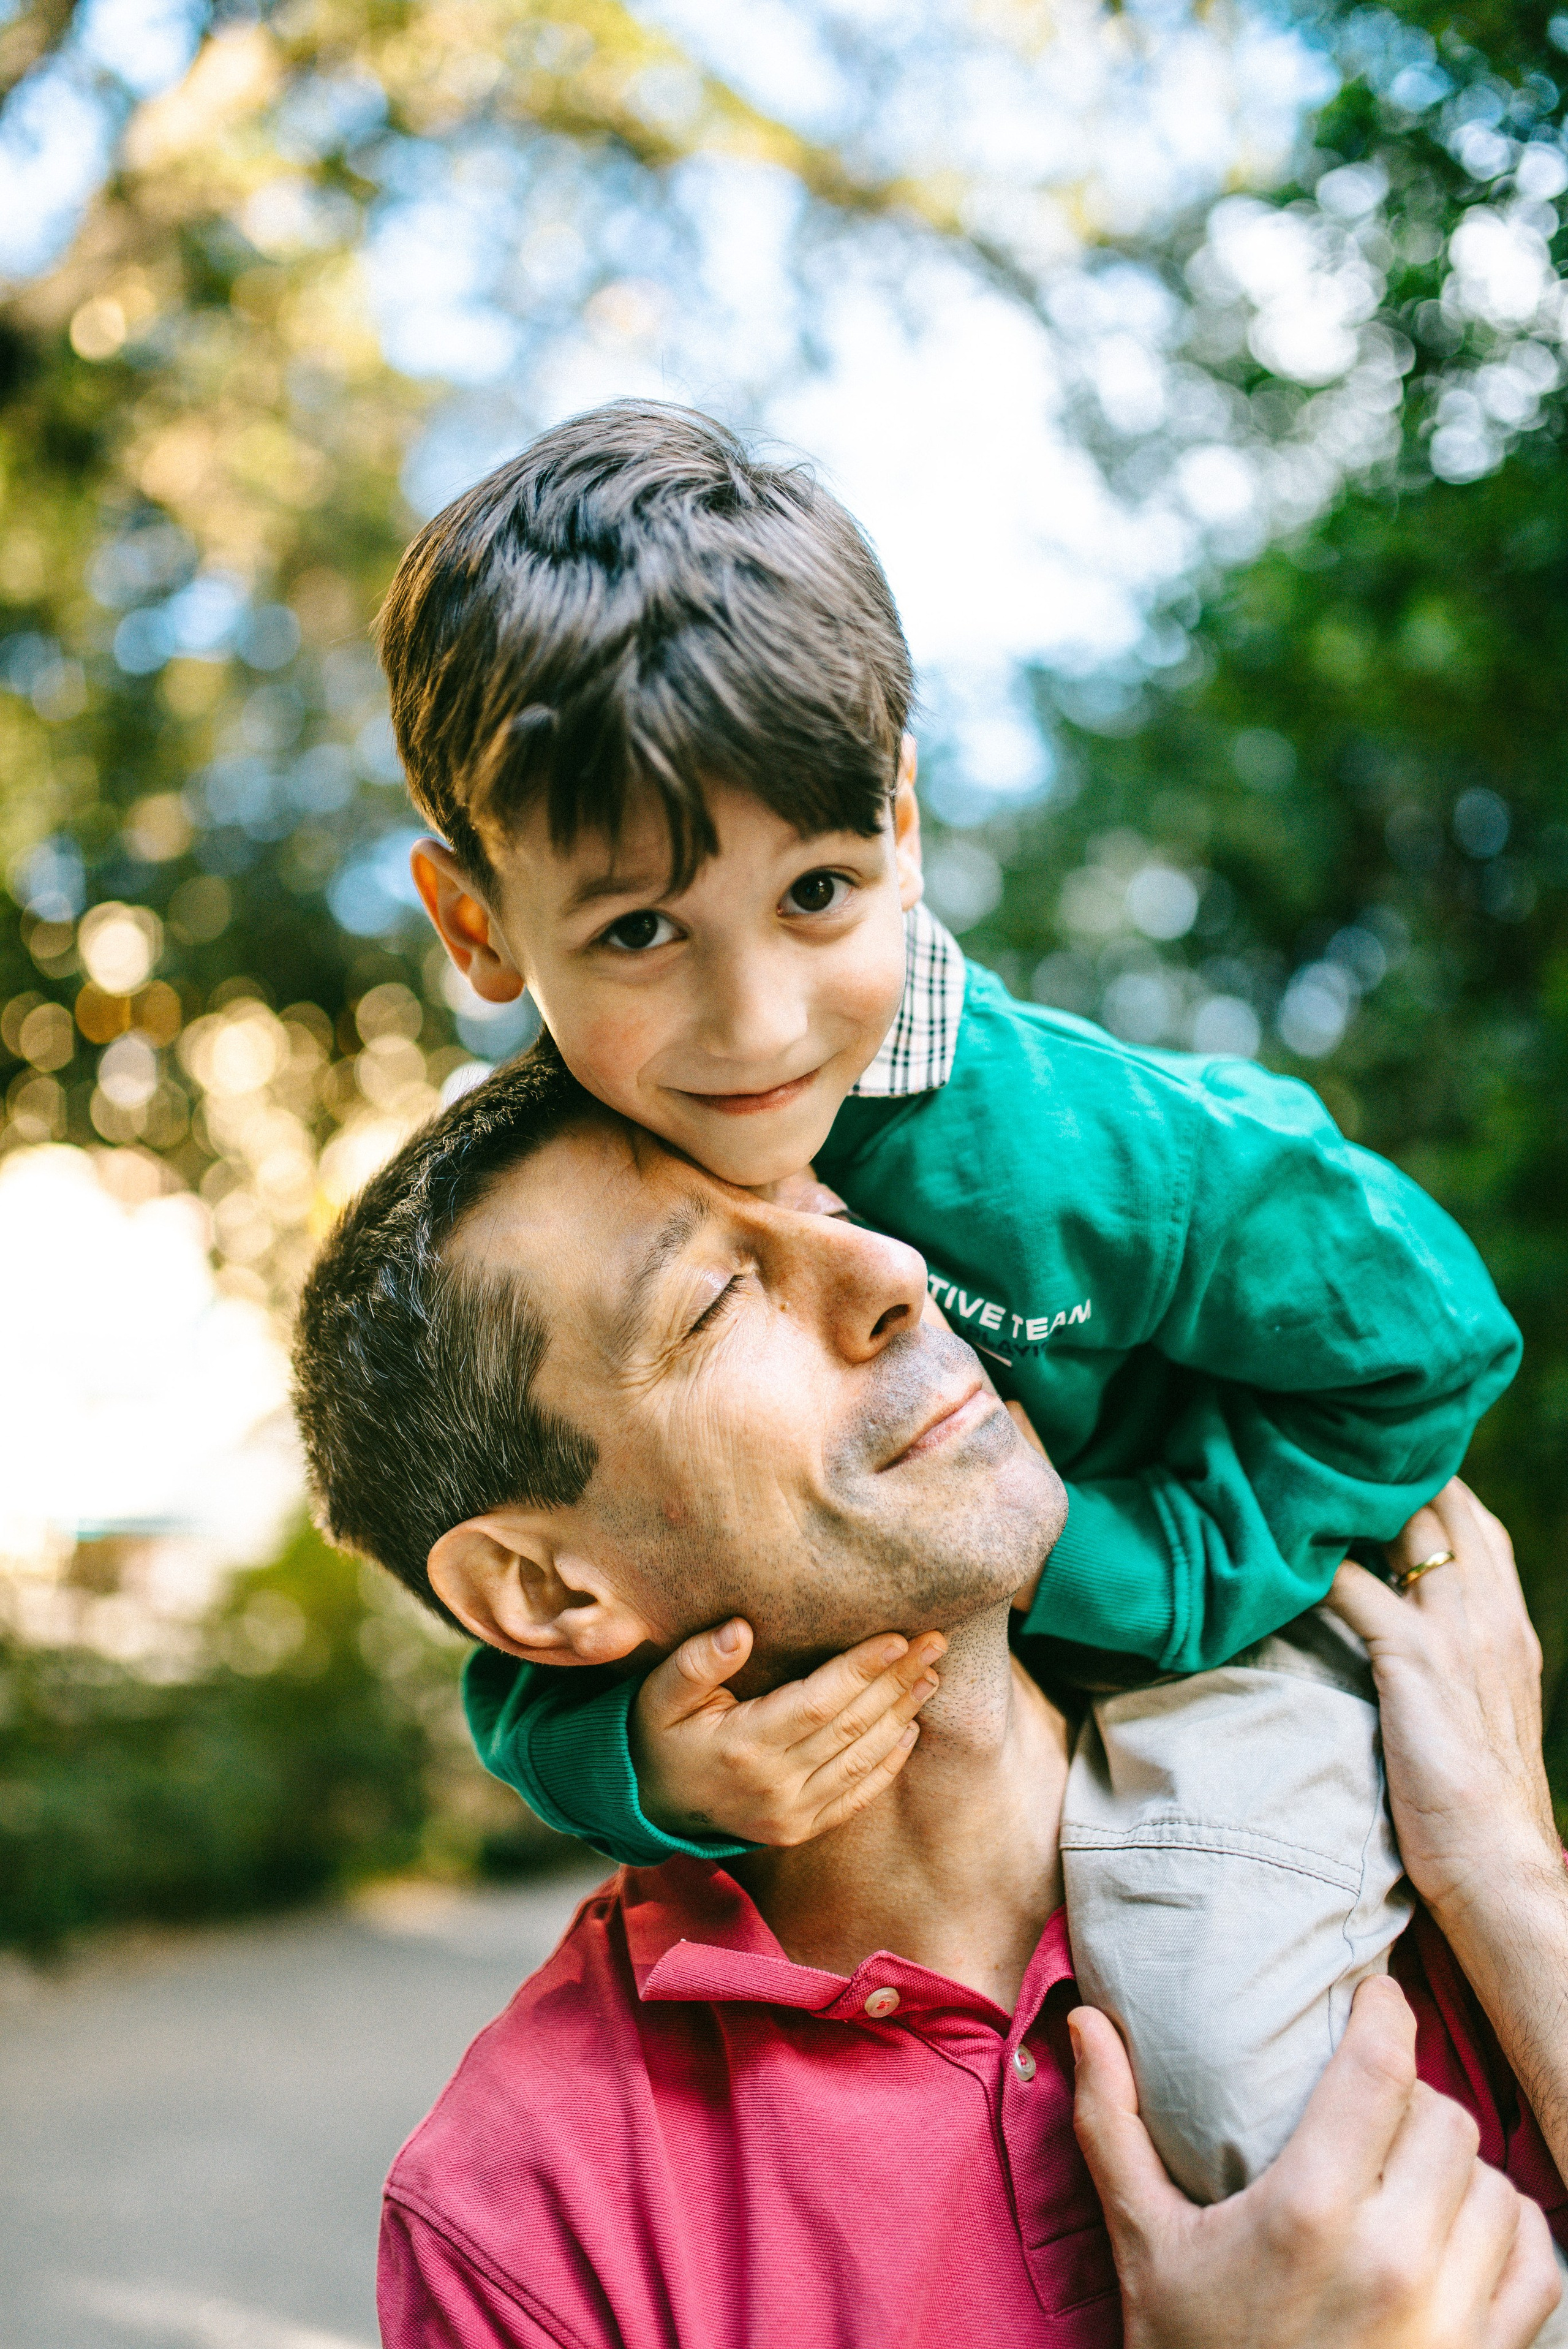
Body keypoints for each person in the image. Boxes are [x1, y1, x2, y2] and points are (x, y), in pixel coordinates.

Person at [372, 398, 1521, 2197]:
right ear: (476, 923)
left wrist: (1126, 1563)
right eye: (641, 934)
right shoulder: (571, 1213)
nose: (754, 1027)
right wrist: (651, 1764)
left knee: (1216, 2048)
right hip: (910, 1795)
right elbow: (534, 1608)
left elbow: (1434, 1338)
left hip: (1218, 1668)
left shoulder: (1094, 1149)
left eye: (819, 893)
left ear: (900, 823)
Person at [290, 1052, 1567, 2348]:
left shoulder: (1398, 1795)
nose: (894, 1273)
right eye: (714, 1304)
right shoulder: (525, 2226)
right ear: (548, 1593)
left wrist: (1513, 1890)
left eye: (833, 1209)